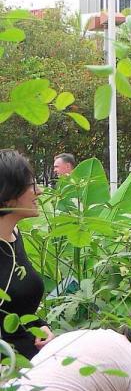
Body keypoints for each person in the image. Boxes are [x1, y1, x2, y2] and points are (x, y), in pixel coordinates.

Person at [0, 150, 54, 360]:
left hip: (31, 366)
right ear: (9, 195)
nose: (39, 192)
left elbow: (17, 308)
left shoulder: (14, 236)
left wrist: (41, 327)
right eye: (32, 185)